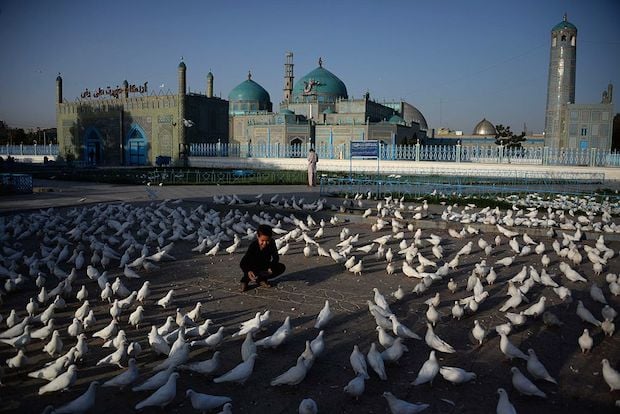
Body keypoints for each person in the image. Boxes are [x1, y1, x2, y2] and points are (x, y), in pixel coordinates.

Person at [239, 224, 286, 292]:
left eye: (267, 241)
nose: (265, 243)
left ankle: (261, 280)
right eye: (262, 240)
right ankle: (244, 281)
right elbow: (243, 262)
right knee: (250, 270)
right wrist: (248, 271)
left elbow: (275, 257)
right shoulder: (253, 246)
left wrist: (271, 267)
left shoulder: (272, 243)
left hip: (265, 266)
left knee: (281, 267)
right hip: (253, 266)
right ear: (258, 236)